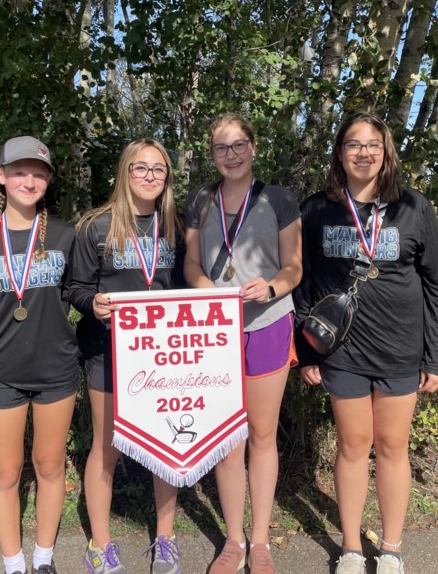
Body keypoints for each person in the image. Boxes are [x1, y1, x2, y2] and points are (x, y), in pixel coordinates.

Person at [293, 113, 438, 574]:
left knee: (393, 446)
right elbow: (302, 286)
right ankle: (351, 548)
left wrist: (434, 356)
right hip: (343, 352)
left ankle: (393, 549)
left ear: (386, 154)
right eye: (353, 144)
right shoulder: (317, 210)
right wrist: (306, 352)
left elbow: (437, 287)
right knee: (352, 445)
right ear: (339, 154)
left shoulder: (413, 208)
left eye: (373, 145)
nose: (363, 153)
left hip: (401, 349)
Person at [182, 114, 303, 574]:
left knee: (262, 434)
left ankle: (261, 542)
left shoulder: (279, 199)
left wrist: (272, 288)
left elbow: (294, 267)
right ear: (212, 154)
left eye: (238, 146)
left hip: (268, 323)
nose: (230, 155)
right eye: (221, 148)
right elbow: (191, 263)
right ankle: (233, 541)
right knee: (228, 439)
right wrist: (204, 288)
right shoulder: (200, 199)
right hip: (215, 329)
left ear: (253, 147)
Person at [0, 136, 79, 574]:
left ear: (48, 179)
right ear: (1, 176)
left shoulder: (64, 235)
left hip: (56, 371)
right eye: (20, 171)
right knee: (6, 473)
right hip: (0, 374)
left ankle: (43, 559)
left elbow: (78, 290)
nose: (30, 180)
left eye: (39, 172)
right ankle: (13, 563)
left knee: (49, 467)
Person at [70, 138, 186, 574]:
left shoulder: (176, 223)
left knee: (165, 447)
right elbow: (75, 288)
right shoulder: (96, 226)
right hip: (109, 352)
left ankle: (166, 539)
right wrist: (92, 302)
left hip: (165, 358)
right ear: (125, 172)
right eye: (141, 168)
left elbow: (188, 283)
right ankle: (100, 545)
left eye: (159, 169)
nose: (150, 176)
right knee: (107, 448)